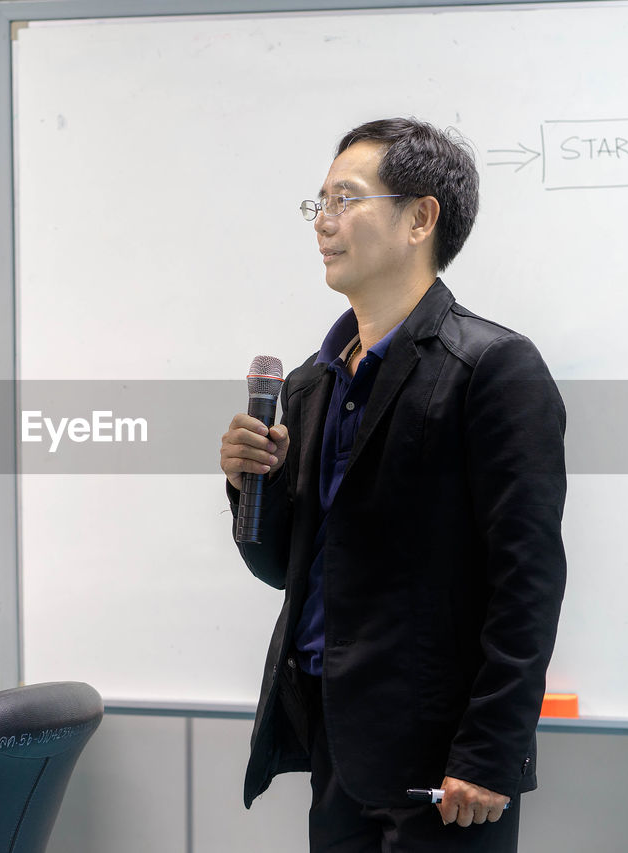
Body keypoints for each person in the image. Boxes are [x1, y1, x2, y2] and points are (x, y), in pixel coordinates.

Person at [219, 117, 567, 852]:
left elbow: (526, 579)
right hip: (335, 742)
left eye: (345, 199)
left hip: (442, 763)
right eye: (318, 203)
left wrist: (490, 750)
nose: (324, 222)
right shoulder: (314, 382)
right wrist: (251, 484)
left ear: (421, 217)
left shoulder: (493, 368)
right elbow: (284, 567)